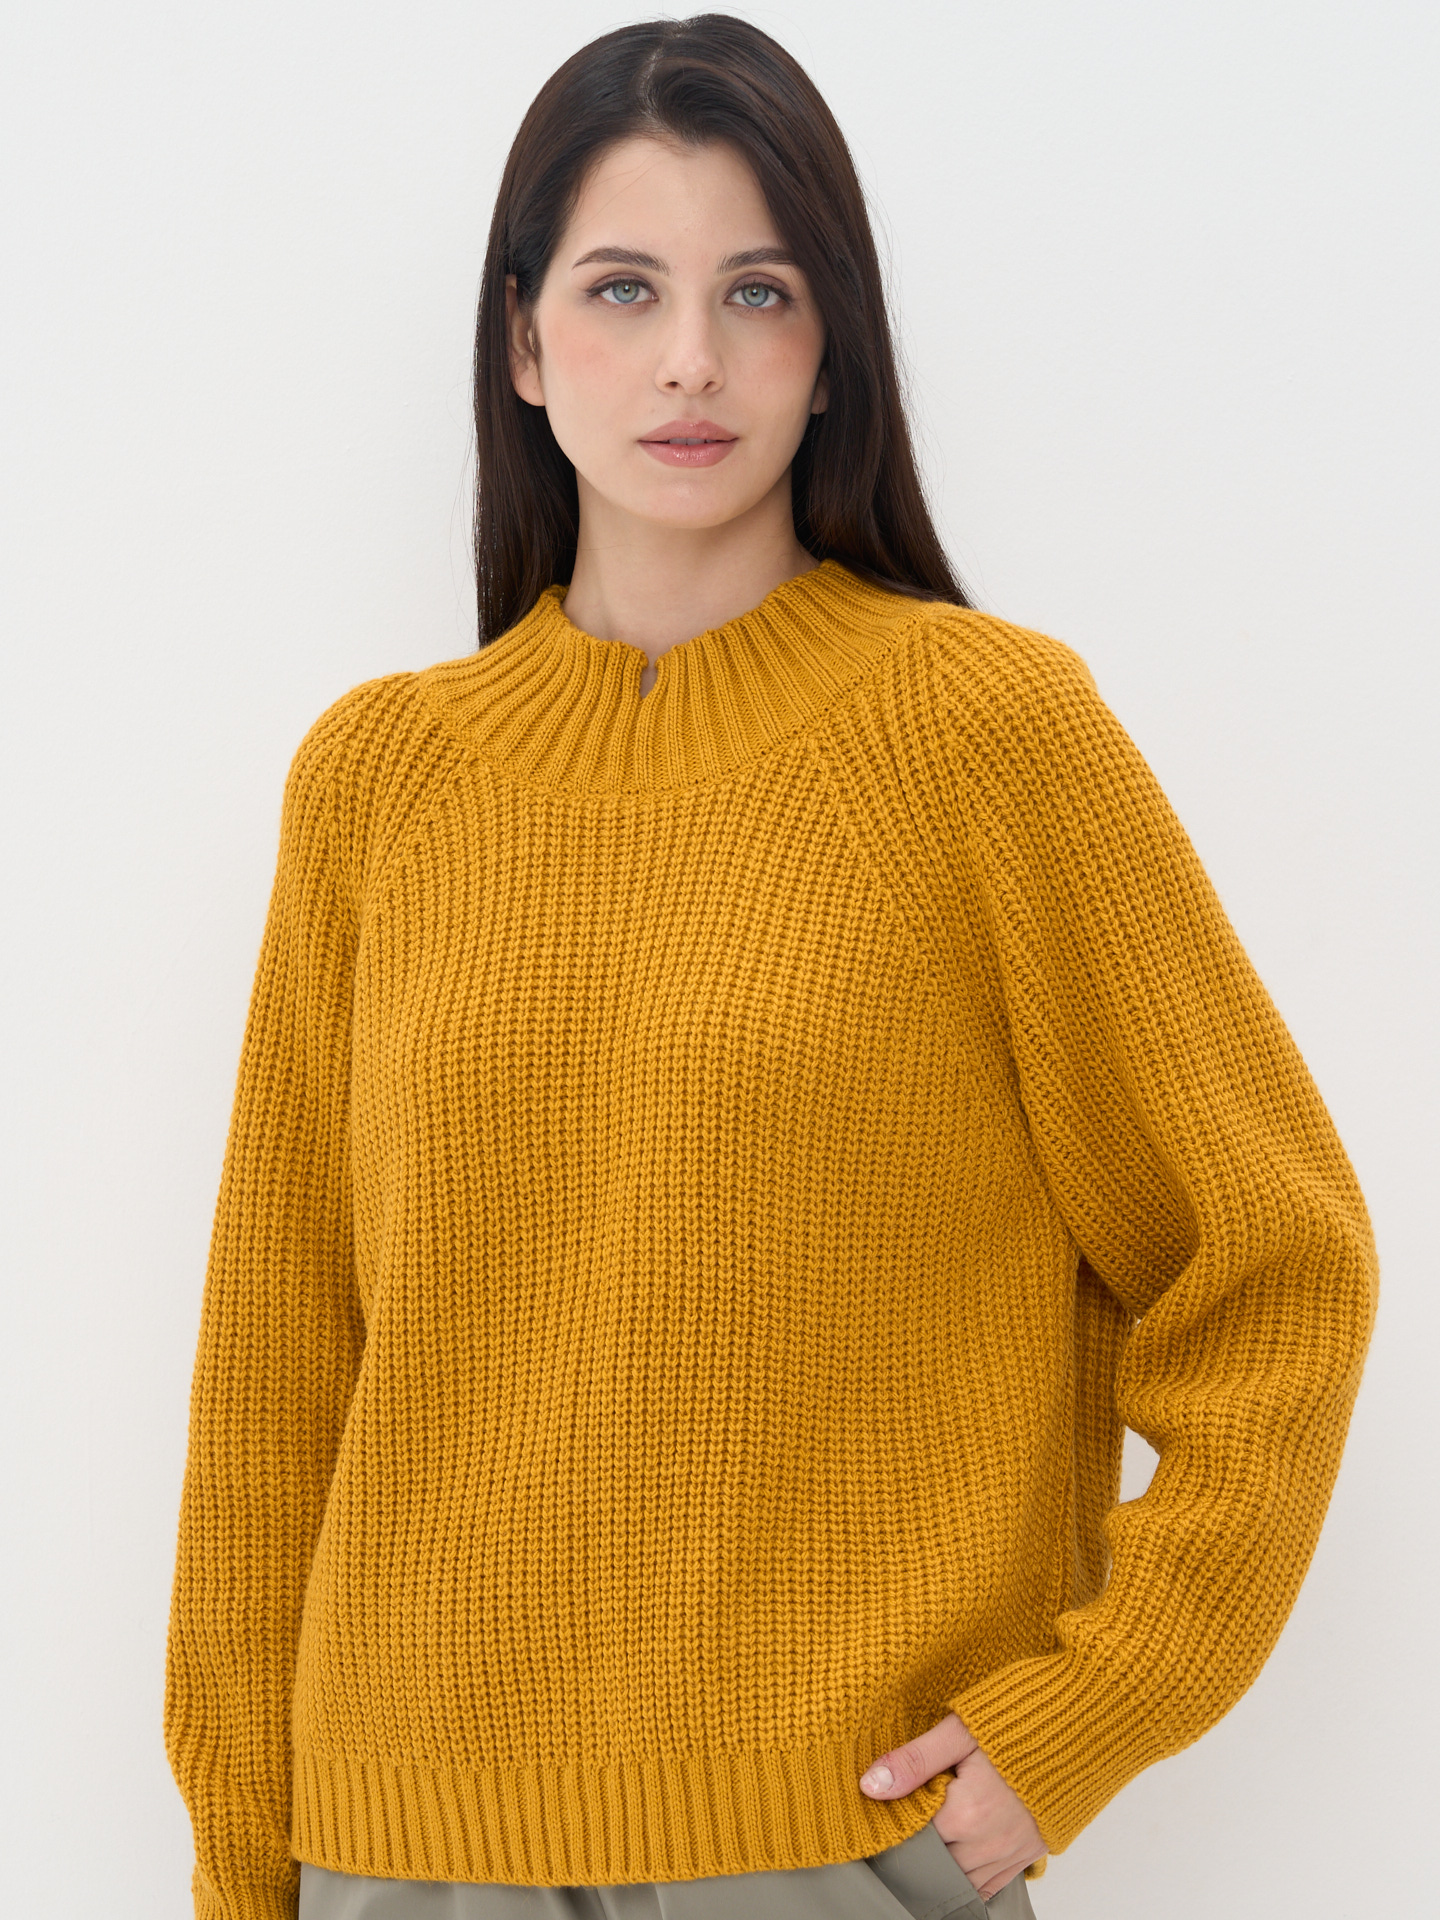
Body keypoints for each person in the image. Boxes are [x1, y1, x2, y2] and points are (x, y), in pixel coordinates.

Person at [162, 15, 1379, 1920]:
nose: (691, 360)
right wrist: (244, 1870)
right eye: (622, 288)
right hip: (399, 1847)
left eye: (760, 292)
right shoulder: (377, 783)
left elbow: (1275, 1265)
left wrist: (1091, 1714)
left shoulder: (987, 735)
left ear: (834, 355)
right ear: (520, 340)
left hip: (833, 1838)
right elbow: (276, 1372)